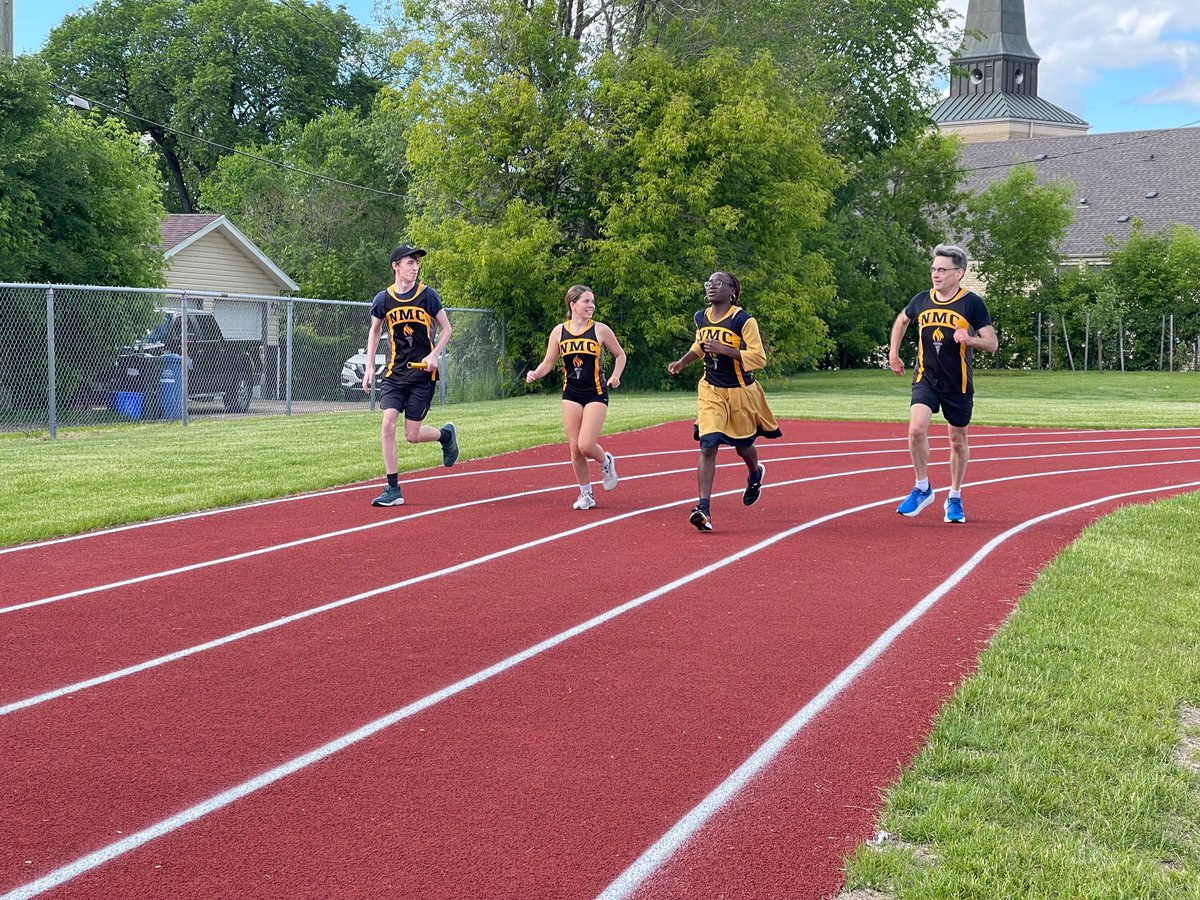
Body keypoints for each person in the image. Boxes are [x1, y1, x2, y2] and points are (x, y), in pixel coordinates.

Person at [888, 243, 998, 523]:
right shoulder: (922, 299)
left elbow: (992, 343)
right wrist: (894, 353)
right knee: (915, 430)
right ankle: (922, 487)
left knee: (957, 441)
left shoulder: (971, 303)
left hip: (958, 383)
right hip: (926, 377)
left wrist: (970, 339)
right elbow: (902, 320)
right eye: (933, 269)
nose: (936, 275)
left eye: (942, 270)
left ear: (959, 273)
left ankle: (955, 496)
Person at [667, 271, 781, 532]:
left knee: (743, 447)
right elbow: (700, 345)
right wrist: (682, 362)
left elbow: (759, 358)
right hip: (711, 390)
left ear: (731, 290)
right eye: (708, 283)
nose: (711, 287)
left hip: (740, 391)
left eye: (717, 283)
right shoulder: (701, 317)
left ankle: (754, 473)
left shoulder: (743, 320)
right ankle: (703, 509)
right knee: (708, 445)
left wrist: (726, 350)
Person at [363, 245, 460, 507]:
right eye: (409, 262)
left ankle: (446, 436)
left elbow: (447, 329)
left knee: (412, 435)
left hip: (421, 375)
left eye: (416, 263)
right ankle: (393, 489)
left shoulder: (427, 295)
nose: (415, 267)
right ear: (395, 265)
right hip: (395, 374)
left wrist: (434, 355)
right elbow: (375, 331)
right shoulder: (383, 300)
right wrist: (370, 365)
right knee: (387, 424)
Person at [526, 285, 627, 509]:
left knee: (586, 444)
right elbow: (548, 363)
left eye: (592, 301)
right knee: (574, 448)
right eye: (586, 301)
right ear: (573, 305)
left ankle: (606, 461)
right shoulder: (559, 332)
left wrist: (616, 376)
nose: (591, 305)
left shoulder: (600, 330)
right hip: (571, 393)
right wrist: (536, 373)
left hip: (596, 392)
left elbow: (620, 355)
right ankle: (586, 494)